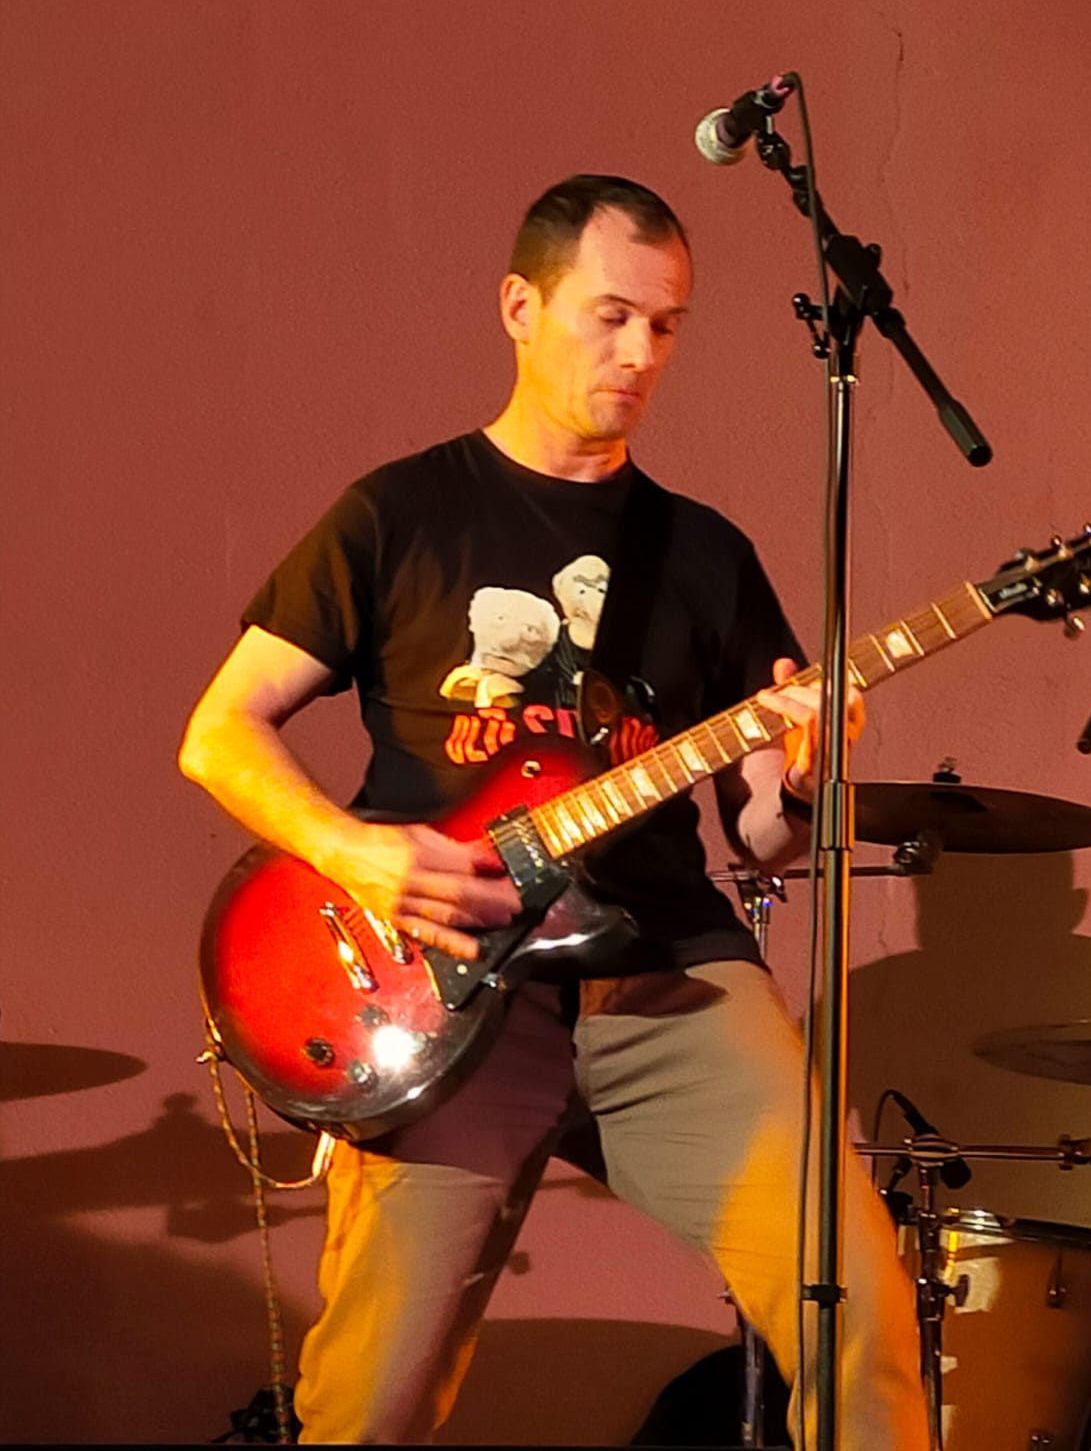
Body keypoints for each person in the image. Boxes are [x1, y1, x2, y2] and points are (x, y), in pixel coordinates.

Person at [178, 175, 927, 1447]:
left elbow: (759, 837)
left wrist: (801, 774)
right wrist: (356, 851)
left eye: (667, 325)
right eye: (612, 315)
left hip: (669, 972)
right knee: (370, 1402)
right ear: (521, 308)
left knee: (860, 1307)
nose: (641, 353)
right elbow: (220, 731)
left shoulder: (705, 553)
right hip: (446, 978)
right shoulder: (400, 513)